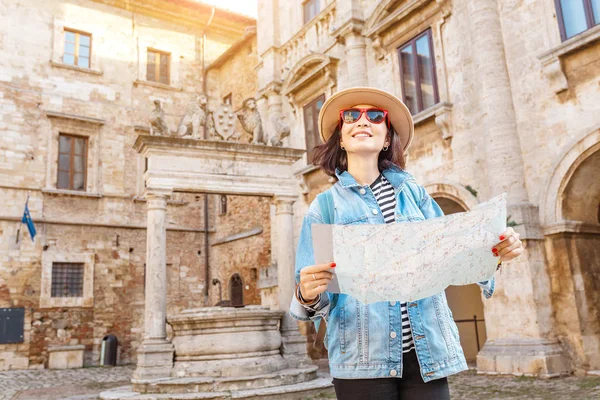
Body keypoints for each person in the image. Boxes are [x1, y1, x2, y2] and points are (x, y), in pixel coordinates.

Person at [289, 87, 524, 400]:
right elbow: (313, 295)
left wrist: (495, 254)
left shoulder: (416, 196)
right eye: (350, 116)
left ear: (387, 138)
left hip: (426, 354)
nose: (363, 121)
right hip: (361, 361)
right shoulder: (324, 207)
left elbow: (453, 255)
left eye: (375, 116)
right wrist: (306, 293)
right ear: (341, 139)